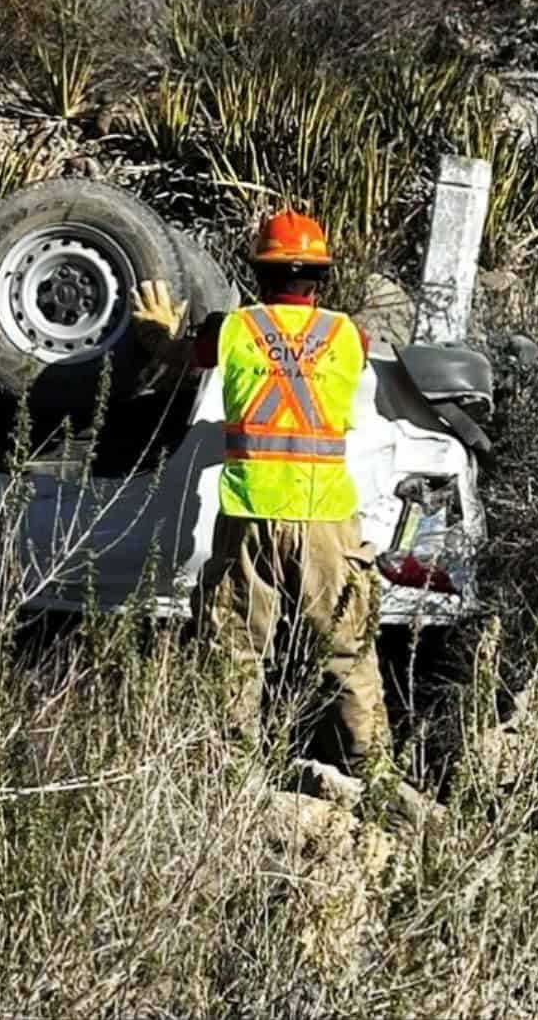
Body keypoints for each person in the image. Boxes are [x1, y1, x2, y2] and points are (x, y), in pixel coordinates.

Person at [129, 208, 390, 772]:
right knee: (347, 655)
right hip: (327, 524)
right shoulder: (351, 336)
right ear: (319, 278)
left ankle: (230, 781)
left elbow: (179, 357)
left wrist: (156, 332)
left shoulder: (235, 329)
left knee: (234, 655)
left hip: (250, 519)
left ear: (260, 276)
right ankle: (376, 779)